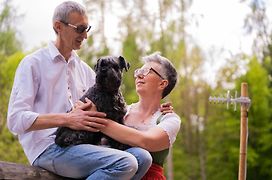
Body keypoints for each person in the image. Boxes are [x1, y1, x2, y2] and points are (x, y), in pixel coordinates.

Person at [7, 1, 152, 179]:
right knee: (126, 162)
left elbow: (113, 106)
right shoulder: (33, 64)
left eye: (87, 29)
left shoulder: (85, 70)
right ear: (58, 26)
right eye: (80, 29)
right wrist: (67, 119)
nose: (85, 35)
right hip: (47, 148)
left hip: (84, 144)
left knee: (143, 157)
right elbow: (15, 120)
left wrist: (153, 110)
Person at [98, 52, 181, 179]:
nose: (139, 75)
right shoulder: (122, 111)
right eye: (138, 71)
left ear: (162, 84)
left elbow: (147, 141)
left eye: (147, 71)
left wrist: (100, 122)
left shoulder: (169, 119)